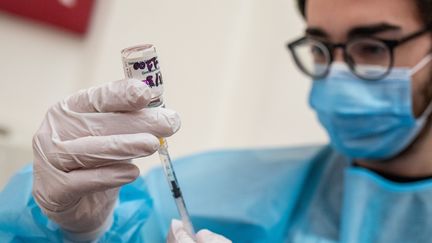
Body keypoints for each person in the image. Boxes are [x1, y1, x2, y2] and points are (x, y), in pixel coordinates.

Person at [1, 0, 432, 242]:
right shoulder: (244, 191)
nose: (337, 75)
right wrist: (76, 231)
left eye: (373, 47)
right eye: (320, 50)